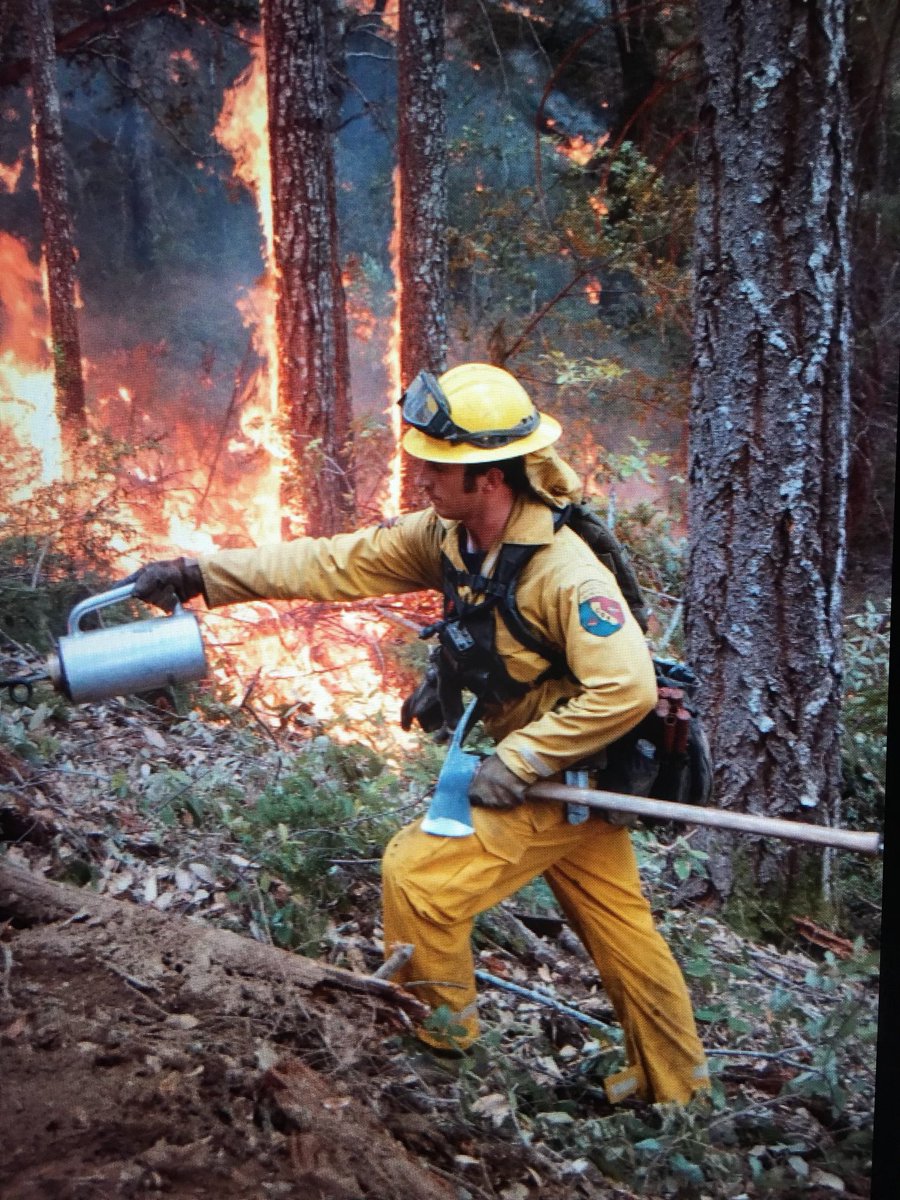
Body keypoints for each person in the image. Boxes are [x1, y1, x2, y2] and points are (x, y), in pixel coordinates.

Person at [128, 362, 709, 1105]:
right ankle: (679, 1091)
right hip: (547, 770)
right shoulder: (448, 537)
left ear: (491, 479)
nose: (423, 477)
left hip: (570, 774)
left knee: (419, 877)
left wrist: (522, 757)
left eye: (440, 467)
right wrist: (200, 574)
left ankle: (438, 1051)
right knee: (620, 925)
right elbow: (332, 561)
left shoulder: (567, 574)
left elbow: (625, 687)